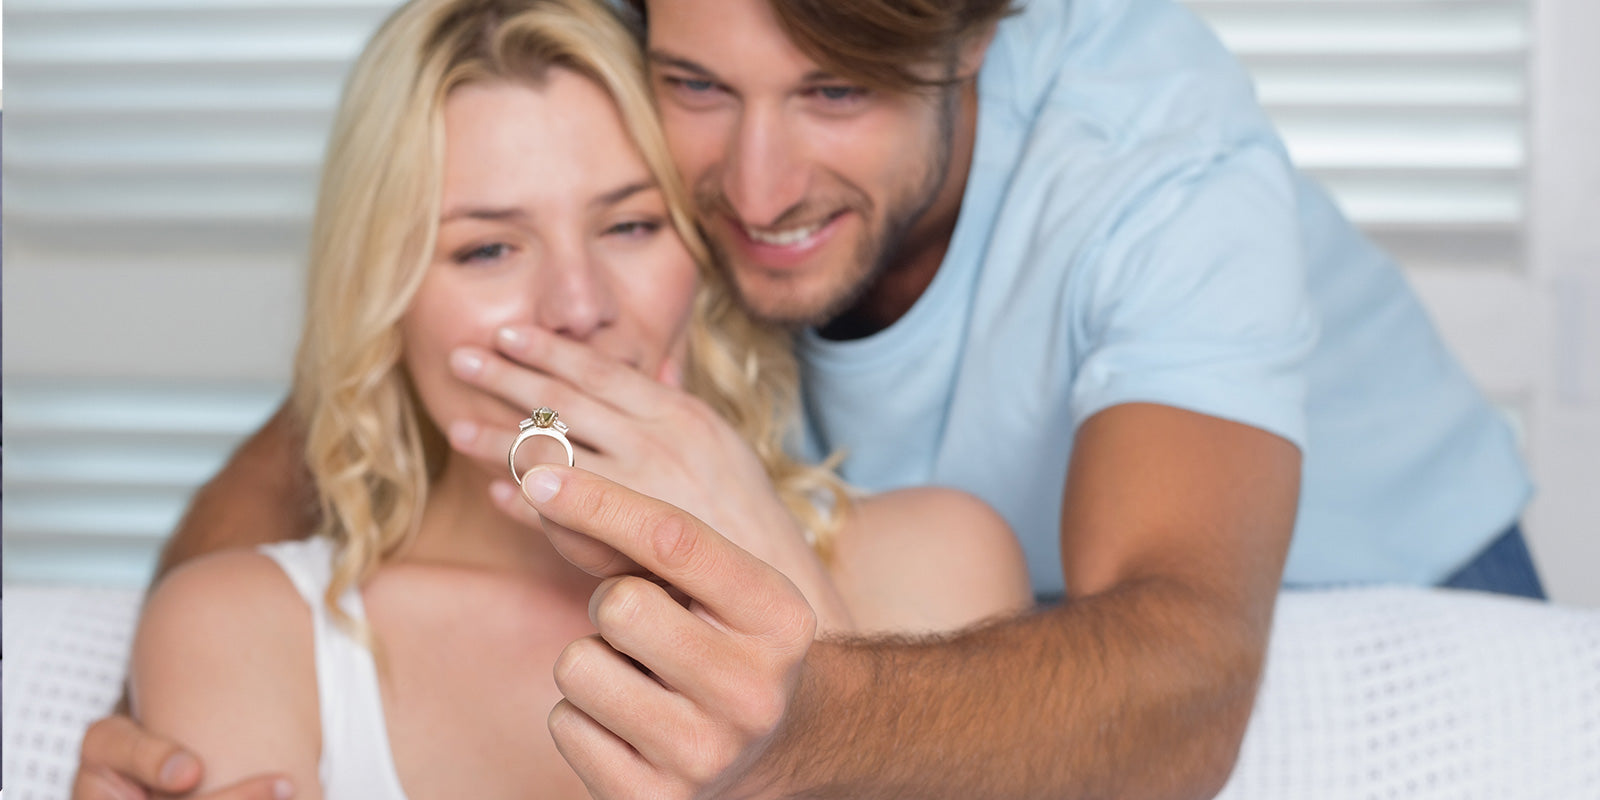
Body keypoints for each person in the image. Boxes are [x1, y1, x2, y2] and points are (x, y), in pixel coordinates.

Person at [77, 0, 1543, 797]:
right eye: (698, 90)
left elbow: (1184, 677)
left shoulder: (1145, 161)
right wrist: (156, 713)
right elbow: (359, 385)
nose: (757, 189)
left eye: (836, 91)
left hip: (1308, 581)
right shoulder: (581, 83)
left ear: (972, 40)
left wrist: (786, 644)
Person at [80, 0, 1032, 797]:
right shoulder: (244, 630)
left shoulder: (932, 567)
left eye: (630, 226)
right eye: (488, 248)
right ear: (384, 301)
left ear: (703, 259)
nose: (577, 309)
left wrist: (785, 584)